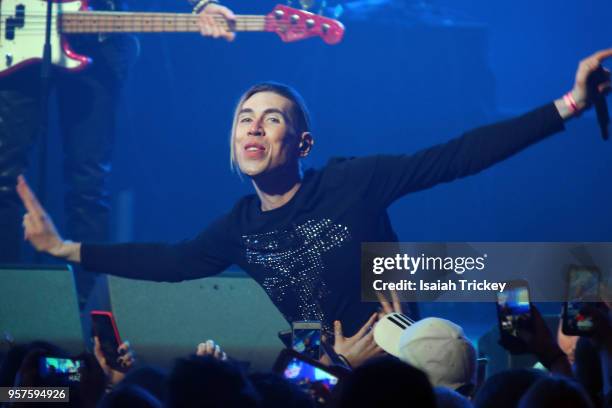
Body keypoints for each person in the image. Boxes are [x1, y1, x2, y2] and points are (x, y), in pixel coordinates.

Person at [16, 50, 612, 339]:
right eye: (245, 117)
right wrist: (67, 248)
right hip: (322, 371)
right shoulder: (238, 226)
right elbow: (168, 262)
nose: (253, 127)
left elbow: (456, 156)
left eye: (272, 119)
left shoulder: (351, 182)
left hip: (401, 359)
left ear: (302, 143)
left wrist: (571, 104)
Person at [0, 0, 236, 314]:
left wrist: (200, 4)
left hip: (99, 43)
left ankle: (85, 310)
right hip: (22, 26)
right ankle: (8, 301)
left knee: (89, 182)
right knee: (5, 178)